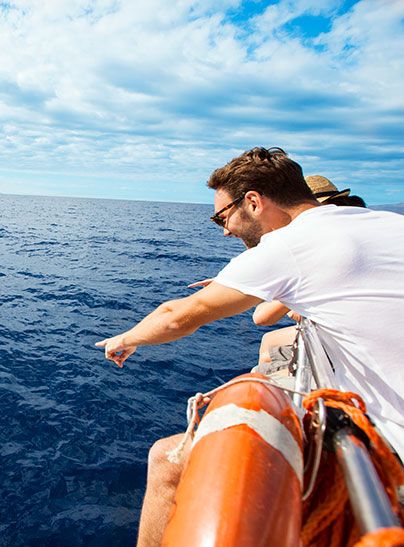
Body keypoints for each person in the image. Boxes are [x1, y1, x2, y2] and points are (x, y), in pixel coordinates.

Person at [95, 147, 404, 546]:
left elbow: (179, 316)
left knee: (166, 462)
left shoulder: (291, 244)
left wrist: (126, 338)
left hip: (393, 443)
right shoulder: (385, 222)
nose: (224, 230)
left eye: (222, 217)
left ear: (254, 201)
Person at [252, 175, 367, 374]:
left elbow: (263, 317)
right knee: (268, 342)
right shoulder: (359, 233)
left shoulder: (326, 248)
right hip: (354, 325)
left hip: (353, 338)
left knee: (259, 373)